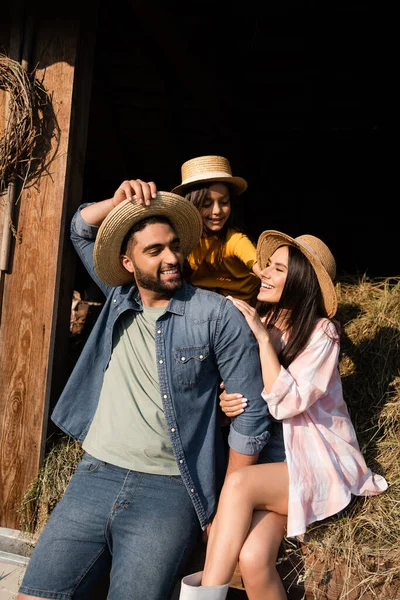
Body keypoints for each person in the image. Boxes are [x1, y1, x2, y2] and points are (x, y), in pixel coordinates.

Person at [17, 183, 272, 600]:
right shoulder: (118, 296)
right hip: (94, 474)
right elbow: (79, 227)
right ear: (127, 262)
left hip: (169, 488)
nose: (171, 258)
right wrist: (117, 205)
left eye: (174, 246)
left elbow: (252, 415)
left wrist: (228, 506)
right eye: (154, 251)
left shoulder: (217, 315)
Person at [179, 230, 389, 600]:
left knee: (240, 484)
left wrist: (262, 340)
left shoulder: (324, 334)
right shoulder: (262, 318)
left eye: (277, 269)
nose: (263, 272)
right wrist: (227, 404)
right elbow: (241, 391)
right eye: (268, 265)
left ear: (300, 282)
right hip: (274, 465)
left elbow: (286, 403)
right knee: (254, 558)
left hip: (315, 463)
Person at [171, 155, 261, 305]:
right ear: (191, 206)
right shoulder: (184, 241)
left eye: (224, 202)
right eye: (207, 204)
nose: (217, 211)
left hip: (242, 309)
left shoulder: (235, 240)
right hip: (204, 307)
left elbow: (262, 270)